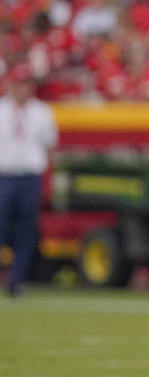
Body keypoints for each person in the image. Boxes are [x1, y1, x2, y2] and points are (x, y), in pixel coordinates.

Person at [0, 64, 57, 297]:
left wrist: (48, 181)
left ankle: (17, 279)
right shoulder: (2, 110)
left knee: (27, 230)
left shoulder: (42, 112)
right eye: (22, 84)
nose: (26, 89)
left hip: (30, 177)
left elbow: (50, 146)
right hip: (5, 176)